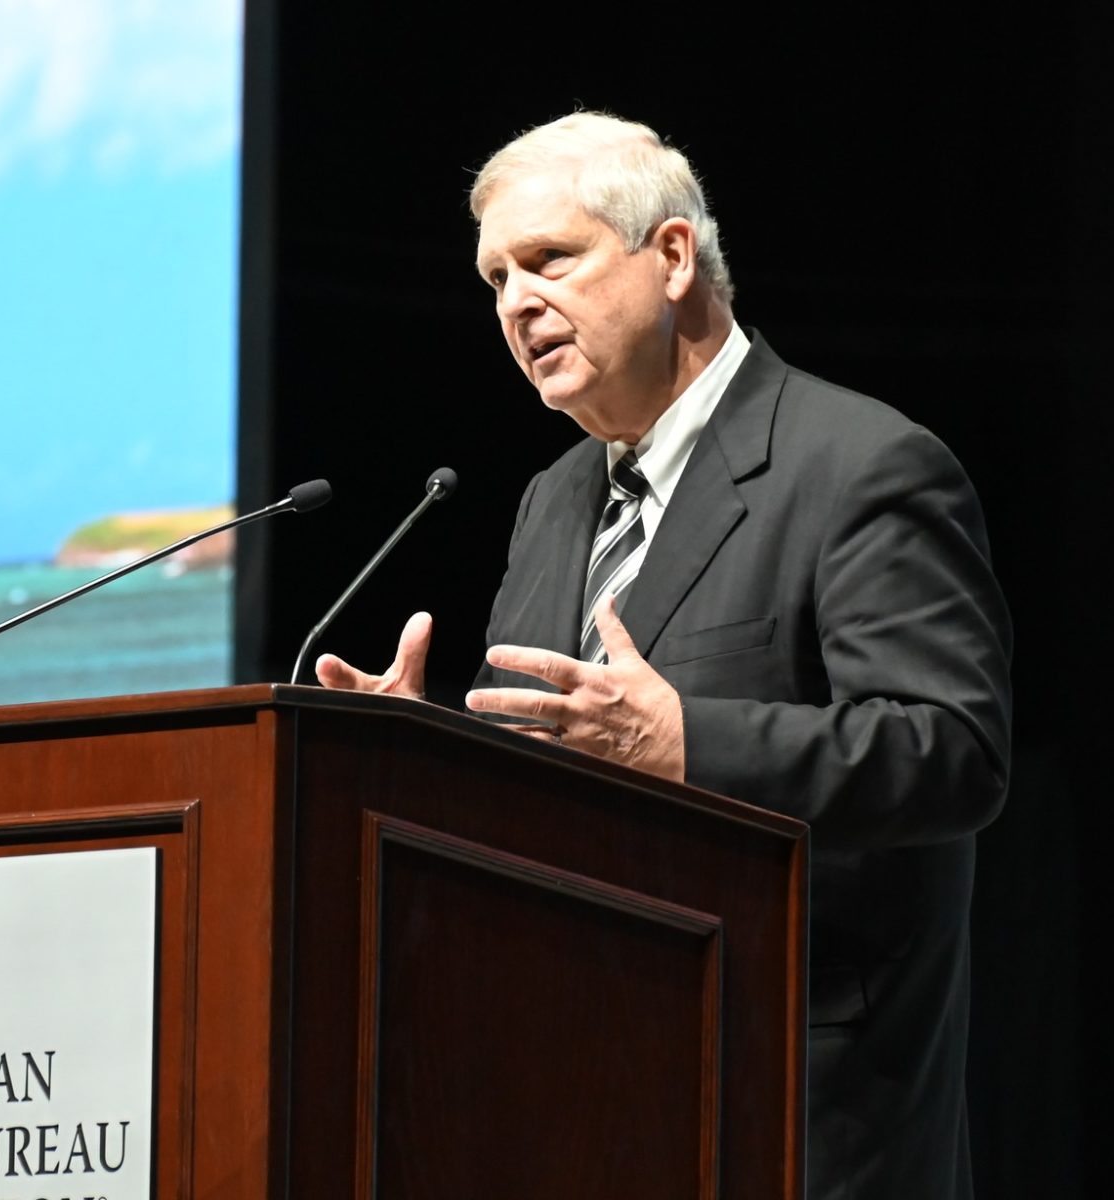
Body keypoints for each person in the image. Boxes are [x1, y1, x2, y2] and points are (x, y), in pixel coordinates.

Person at [314, 112, 1013, 1200]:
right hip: (569, 1103)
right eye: (496, 278)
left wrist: (689, 745)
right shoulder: (553, 502)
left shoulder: (860, 465)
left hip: (793, 1111)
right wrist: (431, 761)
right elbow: (551, 773)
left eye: (550, 258)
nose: (514, 303)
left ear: (673, 256)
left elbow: (952, 750)